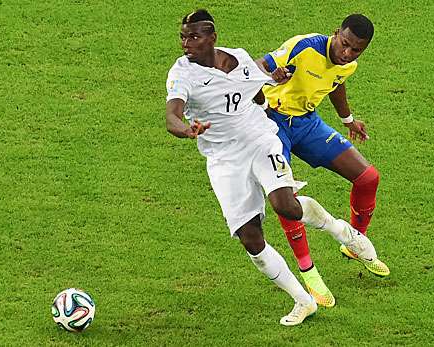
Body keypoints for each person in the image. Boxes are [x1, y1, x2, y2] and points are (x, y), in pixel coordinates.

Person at [165, 9, 385, 324]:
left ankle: (343, 232)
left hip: (259, 140)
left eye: (194, 36)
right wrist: (185, 129)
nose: (187, 43)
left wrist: (272, 84)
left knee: (287, 206)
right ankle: (303, 301)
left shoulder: (238, 58)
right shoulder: (181, 74)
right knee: (249, 238)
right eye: (184, 36)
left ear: (212, 37)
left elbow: (256, 90)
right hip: (224, 160)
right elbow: (172, 114)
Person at [255, 14, 390, 306]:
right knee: (286, 198)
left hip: (307, 123)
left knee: (369, 177)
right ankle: (309, 274)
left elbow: (336, 83)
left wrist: (348, 120)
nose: (347, 54)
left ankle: (355, 242)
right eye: (345, 45)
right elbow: (256, 67)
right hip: (271, 122)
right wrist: (270, 77)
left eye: (356, 50)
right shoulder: (303, 47)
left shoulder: (348, 64)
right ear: (335, 33)